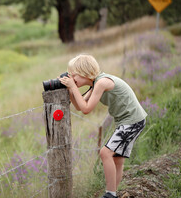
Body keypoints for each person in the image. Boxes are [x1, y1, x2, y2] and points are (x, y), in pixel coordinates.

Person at [59, 54, 147, 198]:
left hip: (133, 121)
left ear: (84, 72)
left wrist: (73, 86)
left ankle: (110, 195)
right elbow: (79, 106)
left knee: (105, 153)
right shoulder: (95, 84)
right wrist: (70, 90)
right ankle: (113, 193)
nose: (72, 78)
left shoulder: (102, 82)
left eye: (73, 75)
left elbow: (87, 109)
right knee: (117, 159)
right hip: (127, 121)